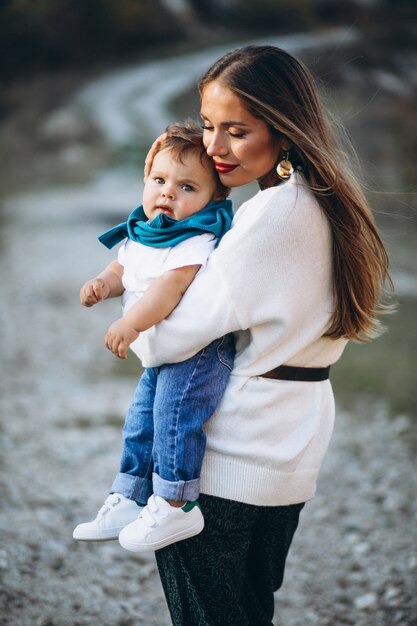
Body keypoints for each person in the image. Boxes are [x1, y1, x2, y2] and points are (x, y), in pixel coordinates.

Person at [134, 46, 393, 625]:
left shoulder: (271, 216)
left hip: (232, 452)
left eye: (236, 130)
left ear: (283, 129)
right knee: (250, 612)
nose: (213, 147)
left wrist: (137, 287)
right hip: (294, 445)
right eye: (206, 126)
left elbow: (163, 341)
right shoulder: (324, 202)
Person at [72, 121, 235, 550]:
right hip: (163, 353)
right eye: (159, 181)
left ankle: (177, 503)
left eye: (186, 188)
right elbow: (122, 270)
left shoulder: (195, 238)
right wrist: (103, 285)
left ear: (212, 199)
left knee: (174, 421)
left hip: (196, 354)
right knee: (139, 424)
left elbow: (168, 289)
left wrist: (131, 324)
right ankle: (128, 496)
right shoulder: (144, 233)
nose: (167, 193)